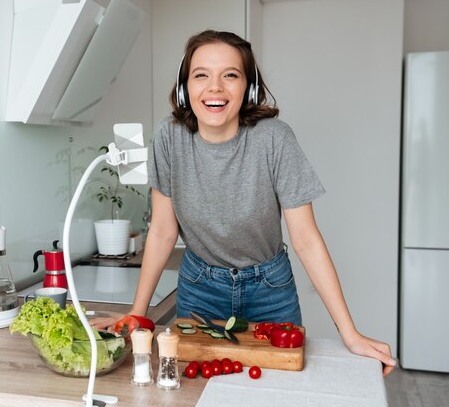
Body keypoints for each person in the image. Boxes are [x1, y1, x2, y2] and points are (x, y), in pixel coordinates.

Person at [98, 29, 395, 376]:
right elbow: (163, 231)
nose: (215, 88)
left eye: (230, 75)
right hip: (199, 288)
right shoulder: (169, 137)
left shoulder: (274, 139)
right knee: (194, 390)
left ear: (248, 88)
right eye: (201, 75)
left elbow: (306, 239)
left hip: (270, 288)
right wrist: (138, 312)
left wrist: (350, 333)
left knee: (276, 388)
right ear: (184, 88)